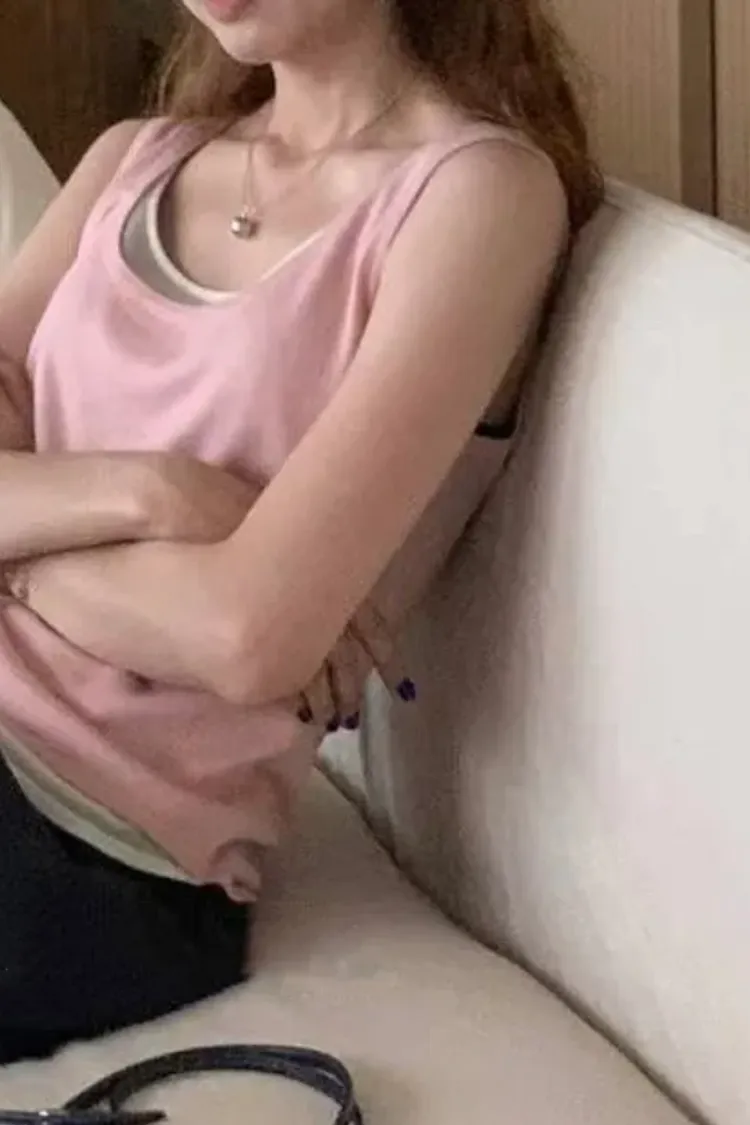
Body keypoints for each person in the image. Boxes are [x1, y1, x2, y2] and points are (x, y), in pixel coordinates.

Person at [0, 0, 602, 1063]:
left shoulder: (475, 196)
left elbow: (247, 638)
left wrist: (20, 546)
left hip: (88, 837)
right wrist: (148, 491)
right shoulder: (134, 160)